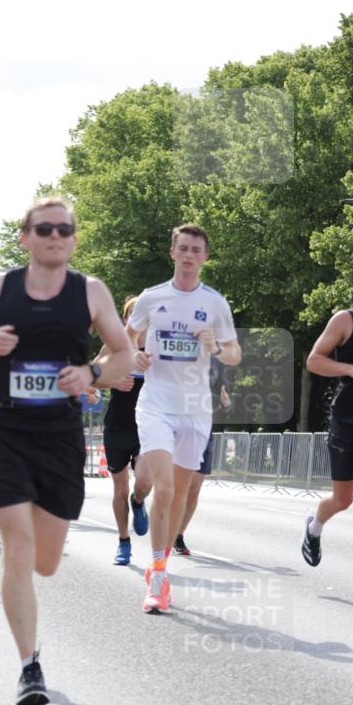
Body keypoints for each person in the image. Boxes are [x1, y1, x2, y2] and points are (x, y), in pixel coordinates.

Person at [0, 195, 132, 705]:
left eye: (64, 230)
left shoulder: (90, 292)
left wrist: (91, 374)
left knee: (46, 562)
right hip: (5, 430)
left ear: (73, 238)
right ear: (26, 236)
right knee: (18, 547)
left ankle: (31, 645)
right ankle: (30, 666)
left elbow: (126, 354)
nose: (55, 237)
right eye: (44, 228)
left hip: (60, 435)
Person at [126, 224, 241, 613]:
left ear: (205, 257)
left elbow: (234, 355)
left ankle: (161, 561)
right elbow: (128, 334)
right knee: (164, 486)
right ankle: (158, 576)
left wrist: (216, 347)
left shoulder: (215, 303)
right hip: (156, 404)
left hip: (196, 409)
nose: (190, 255)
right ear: (173, 253)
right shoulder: (152, 297)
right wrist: (134, 355)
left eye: (197, 250)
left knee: (178, 492)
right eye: (184, 248)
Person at [302, 264, 353, 566]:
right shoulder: (346, 319)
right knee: (343, 499)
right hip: (347, 423)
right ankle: (314, 528)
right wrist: (351, 370)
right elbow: (314, 361)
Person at [98, 296, 151, 565]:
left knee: (144, 483)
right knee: (119, 490)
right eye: (133, 314)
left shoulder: (158, 346)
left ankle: (139, 502)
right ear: (126, 318)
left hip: (148, 425)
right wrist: (114, 382)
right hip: (118, 424)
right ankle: (123, 542)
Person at [174, 365, 232, 555]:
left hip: (205, 429)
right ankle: (167, 526)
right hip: (182, 427)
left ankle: (178, 535)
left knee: (195, 487)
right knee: (180, 486)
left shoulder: (217, 363)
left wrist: (226, 401)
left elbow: (223, 396)